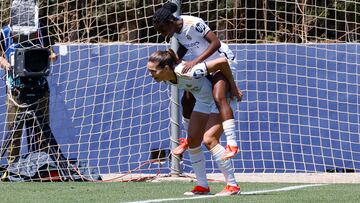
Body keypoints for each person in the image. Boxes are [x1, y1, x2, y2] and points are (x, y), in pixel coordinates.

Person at [153, 2, 242, 160]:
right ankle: (188, 139)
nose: (163, 34)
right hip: (207, 64)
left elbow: (216, 43)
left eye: (163, 30)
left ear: (170, 22)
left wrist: (196, 61)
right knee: (187, 98)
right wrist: (174, 61)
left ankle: (232, 144)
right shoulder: (176, 32)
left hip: (223, 61)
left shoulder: (194, 23)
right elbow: (184, 46)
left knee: (218, 96)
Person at [148, 49, 240, 195]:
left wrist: (234, 88)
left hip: (220, 101)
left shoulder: (189, 71)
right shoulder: (167, 78)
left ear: (166, 68)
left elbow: (222, 63)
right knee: (193, 141)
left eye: (153, 71)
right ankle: (202, 186)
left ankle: (232, 185)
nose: (150, 74)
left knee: (209, 139)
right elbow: (188, 96)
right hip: (203, 101)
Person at [0, 21, 65, 181]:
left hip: (40, 87)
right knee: (14, 132)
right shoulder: (4, 32)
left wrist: (50, 56)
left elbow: (49, 51)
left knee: (42, 131)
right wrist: (7, 64)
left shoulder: (41, 28)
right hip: (17, 90)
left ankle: (44, 167)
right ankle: (12, 169)